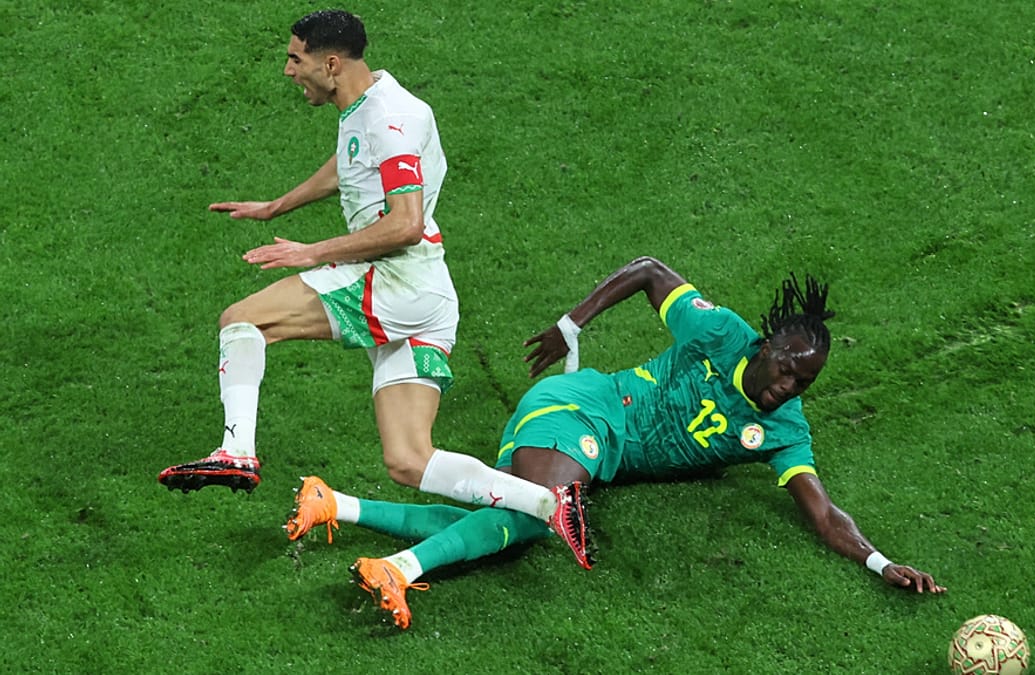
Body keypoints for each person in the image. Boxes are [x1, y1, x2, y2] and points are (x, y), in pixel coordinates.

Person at [284, 256, 946, 630]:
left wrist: (880, 562)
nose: (788, 387)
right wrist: (570, 325)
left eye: (804, 382)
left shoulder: (784, 430)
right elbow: (650, 272)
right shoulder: (720, 332)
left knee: (520, 521)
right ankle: (401, 567)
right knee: (542, 509)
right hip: (584, 408)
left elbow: (824, 514)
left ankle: (337, 505)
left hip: (598, 455)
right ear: (768, 344)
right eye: (787, 370)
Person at [157, 9, 588, 565]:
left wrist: (311, 251)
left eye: (296, 59)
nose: (289, 71)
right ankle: (551, 504)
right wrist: (276, 207)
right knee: (409, 459)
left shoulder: (388, 117)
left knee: (243, 320)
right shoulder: (373, 102)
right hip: (430, 296)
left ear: (332, 63)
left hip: (397, 280)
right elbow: (350, 164)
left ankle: (236, 450)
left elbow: (405, 223)